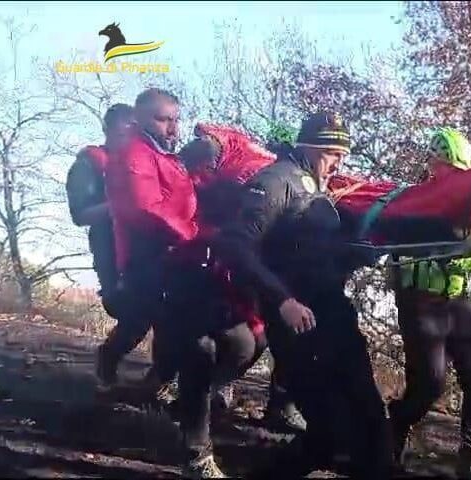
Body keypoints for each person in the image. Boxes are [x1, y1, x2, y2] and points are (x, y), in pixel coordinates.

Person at [209, 112, 393, 478]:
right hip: (296, 317)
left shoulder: (316, 187)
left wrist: (354, 254)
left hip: (333, 311)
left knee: (368, 411)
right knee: (329, 423)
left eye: (342, 154)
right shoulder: (275, 181)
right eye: (331, 153)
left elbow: (311, 249)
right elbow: (236, 246)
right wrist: (282, 300)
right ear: (308, 146)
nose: (339, 162)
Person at [106, 89, 256, 478]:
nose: (172, 128)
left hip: (187, 269)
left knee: (242, 342)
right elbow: (147, 212)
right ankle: (196, 454)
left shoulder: (168, 156)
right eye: (163, 119)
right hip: (154, 271)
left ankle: (180, 398)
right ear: (140, 119)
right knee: (199, 352)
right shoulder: (134, 156)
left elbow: (190, 195)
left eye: (175, 119)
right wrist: (203, 235)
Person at [179, 123, 307, 432]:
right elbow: (204, 150)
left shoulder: (294, 177)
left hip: (251, 259)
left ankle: (219, 392)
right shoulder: (241, 153)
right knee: (232, 339)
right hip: (212, 250)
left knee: (260, 338)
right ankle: (188, 402)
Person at [387, 127, 471, 478]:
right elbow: (400, 244)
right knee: (430, 384)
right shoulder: (413, 202)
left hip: (456, 299)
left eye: (459, 171)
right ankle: (396, 424)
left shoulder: (470, 210)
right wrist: (448, 241)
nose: (452, 176)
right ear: (433, 164)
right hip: (419, 301)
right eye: (447, 167)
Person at [65, 103, 145, 391]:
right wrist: (121, 206)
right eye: (124, 133)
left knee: (164, 312)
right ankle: (108, 359)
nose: (129, 140)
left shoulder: (146, 163)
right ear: (107, 130)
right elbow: (80, 215)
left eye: (135, 134)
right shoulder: (89, 165)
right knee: (134, 314)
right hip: (111, 252)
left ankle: (161, 379)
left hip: (149, 250)